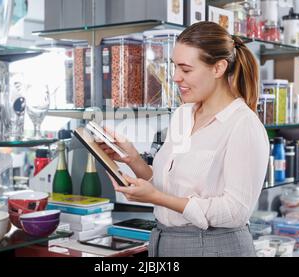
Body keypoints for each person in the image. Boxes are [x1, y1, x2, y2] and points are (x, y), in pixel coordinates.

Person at [99, 21, 269, 257]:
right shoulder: (183, 115)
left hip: (214, 247)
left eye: (186, 69)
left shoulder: (243, 125)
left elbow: (235, 212)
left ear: (218, 68)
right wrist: (132, 159)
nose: (176, 77)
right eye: (174, 67)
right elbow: (169, 185)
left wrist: (156, 198)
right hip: (165, 242)